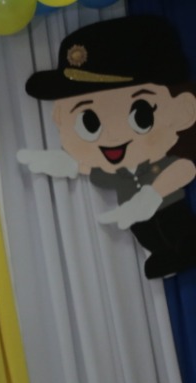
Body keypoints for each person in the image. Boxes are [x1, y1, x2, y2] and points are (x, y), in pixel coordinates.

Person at [19, 15, 196, 279]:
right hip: (134, 214)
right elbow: (95, 170)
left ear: (182, 109)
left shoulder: (163, 160)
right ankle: (163, 253)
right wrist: (69, 164)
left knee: (175, 223)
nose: (112, 136)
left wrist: (152, 195)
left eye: (140, 115)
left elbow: (184, 169)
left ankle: (185, 248)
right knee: (143, 228)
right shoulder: (116, 169)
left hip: (166, 206)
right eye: (89, 123)